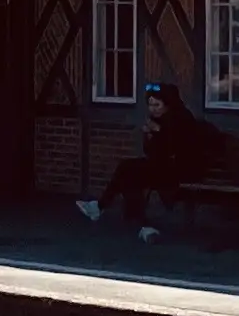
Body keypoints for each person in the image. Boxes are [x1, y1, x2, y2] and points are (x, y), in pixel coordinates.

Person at [81, 80, 220, 237]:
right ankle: (136, 221)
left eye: (157, 105)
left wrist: (159, 132)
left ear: (167, 104)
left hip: (181, 170)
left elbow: (178, 148)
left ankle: (109, 210)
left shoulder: (181, 118)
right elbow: (153, 153)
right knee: (127, 169)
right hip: (162, 166)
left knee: (129, 173)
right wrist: (149, 136)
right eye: (150, 105)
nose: (152, 109)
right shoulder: (159, 120)